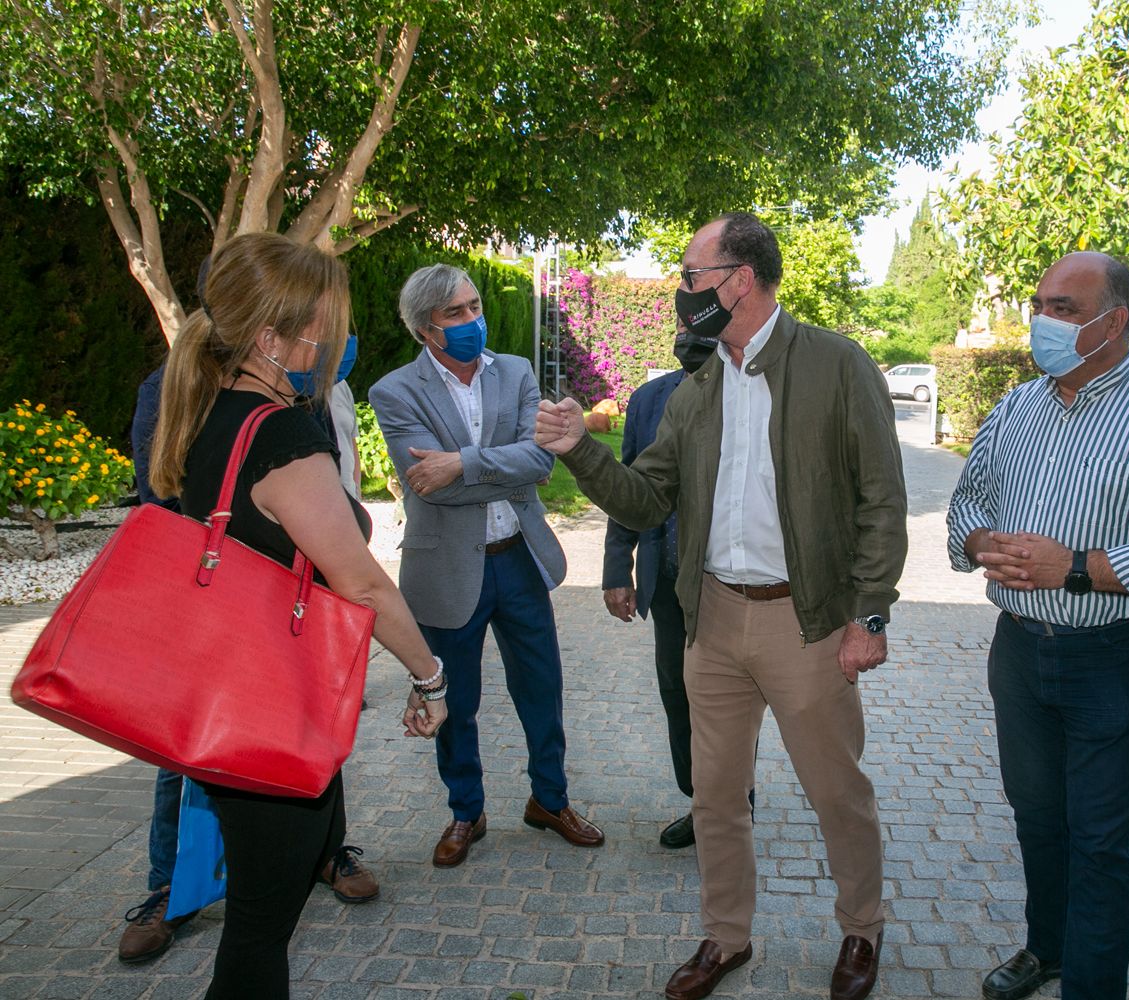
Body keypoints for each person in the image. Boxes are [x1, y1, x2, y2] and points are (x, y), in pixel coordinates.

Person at [536, 212, 906, 1000]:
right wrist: (580, 450)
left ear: (740, 281)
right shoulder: (700, 383)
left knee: (836, 791)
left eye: (691, 276)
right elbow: (645, 496)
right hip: (710, 617)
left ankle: (861, 928)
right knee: (715, 796)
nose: (681, 291)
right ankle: (726, 936)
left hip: (806, 621)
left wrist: (868, 614)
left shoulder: (837, 365)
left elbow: (882, 499)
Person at [148, 232, 446, 998]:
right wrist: (430, 677)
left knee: (258, 919)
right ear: (273, 335)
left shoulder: (214, 410)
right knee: (256, 933)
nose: (339, 337)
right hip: (268, 716)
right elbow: (363, 584)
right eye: (327, 322)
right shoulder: (281, 434)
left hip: (231, 699)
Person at [946, 251, 1129, 1000]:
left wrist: (1073, 566)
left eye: (1065, 308)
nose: (1044, 319)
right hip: (1019, 650)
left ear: (1117, 321)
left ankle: (1093, 986)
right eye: (1040, 303)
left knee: (1102, 841)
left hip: (1116, 654)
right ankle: (1049, 950)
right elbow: (966, 506)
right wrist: (986, 545)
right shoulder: (1016, 407)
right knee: (1039, 819)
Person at [118, 291, 376, 967]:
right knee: (190, 754)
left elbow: (333, 495)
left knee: (311, 744)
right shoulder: (181, 388)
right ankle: (168, 887)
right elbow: (163, 496)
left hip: (296, 612)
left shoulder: (307, 390)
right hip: (222, 614)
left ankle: (325, 851)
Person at [369, 263, 604, 864]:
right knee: (457, 700)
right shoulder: (395, 392)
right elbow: (430, 487)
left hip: (519, 560)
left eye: (475, 306)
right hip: (446, 570)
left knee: (542, 687)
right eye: (457, 313)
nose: (475, 320)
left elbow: (542, 463)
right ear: (427, 328)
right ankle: (465, 813)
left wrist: (462, 464)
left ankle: (549, 800)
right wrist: (486, 466)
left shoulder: (518, 372)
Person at [600, 330, 715, 850]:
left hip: (729, 583)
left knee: (728, 696)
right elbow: (627, 489)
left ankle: (732, 803)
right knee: (677, 691)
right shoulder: (648, 399)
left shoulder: (751, 393)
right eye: (683, 324)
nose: (689, 336)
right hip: (666, 580)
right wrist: (616, 569)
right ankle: (700, 800)